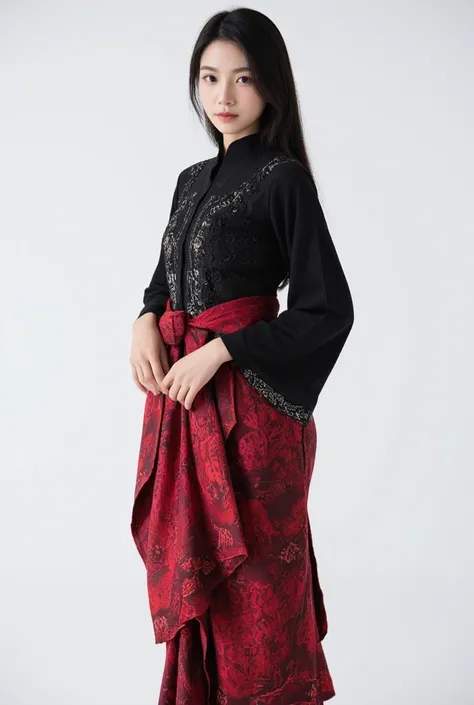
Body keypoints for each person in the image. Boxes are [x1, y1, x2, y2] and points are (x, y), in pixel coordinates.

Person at [129, 8, 354, 704]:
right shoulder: (191, 179)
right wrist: (143, 316)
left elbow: (328, 310)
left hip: (255, 423)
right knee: (210, 593)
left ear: (271, 87)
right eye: (210, 77)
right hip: (187, 410)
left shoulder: (283, 178)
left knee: (258, 587)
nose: (223, 95)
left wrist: (225, 350)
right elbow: (170, 277)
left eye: (244, 78)